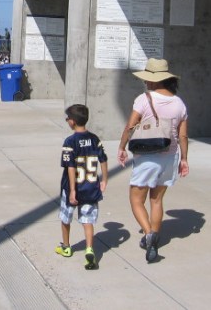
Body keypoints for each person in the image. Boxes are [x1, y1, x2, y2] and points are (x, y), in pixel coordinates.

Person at [118, 58, 188, 263]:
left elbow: (129, 127)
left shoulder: (143, 99)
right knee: (156, 200)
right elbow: (183, 136)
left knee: (136, 199)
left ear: (154, 80)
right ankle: (154, 237)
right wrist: (184, 159)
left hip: (147, 156)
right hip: (170, 156)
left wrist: (122, 147)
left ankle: (149, 234)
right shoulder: (179, 103)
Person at [56, 104, 108, 270]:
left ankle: (66, 246)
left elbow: (70, 166)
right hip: (91, 187)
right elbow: (103, 159)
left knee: (66, 218)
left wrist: (72, 190)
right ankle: (89, 248)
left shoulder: (70, 142)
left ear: (71, 122)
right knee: (88, 221)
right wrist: (104, 179)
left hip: (73, 188)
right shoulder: (95, 139)